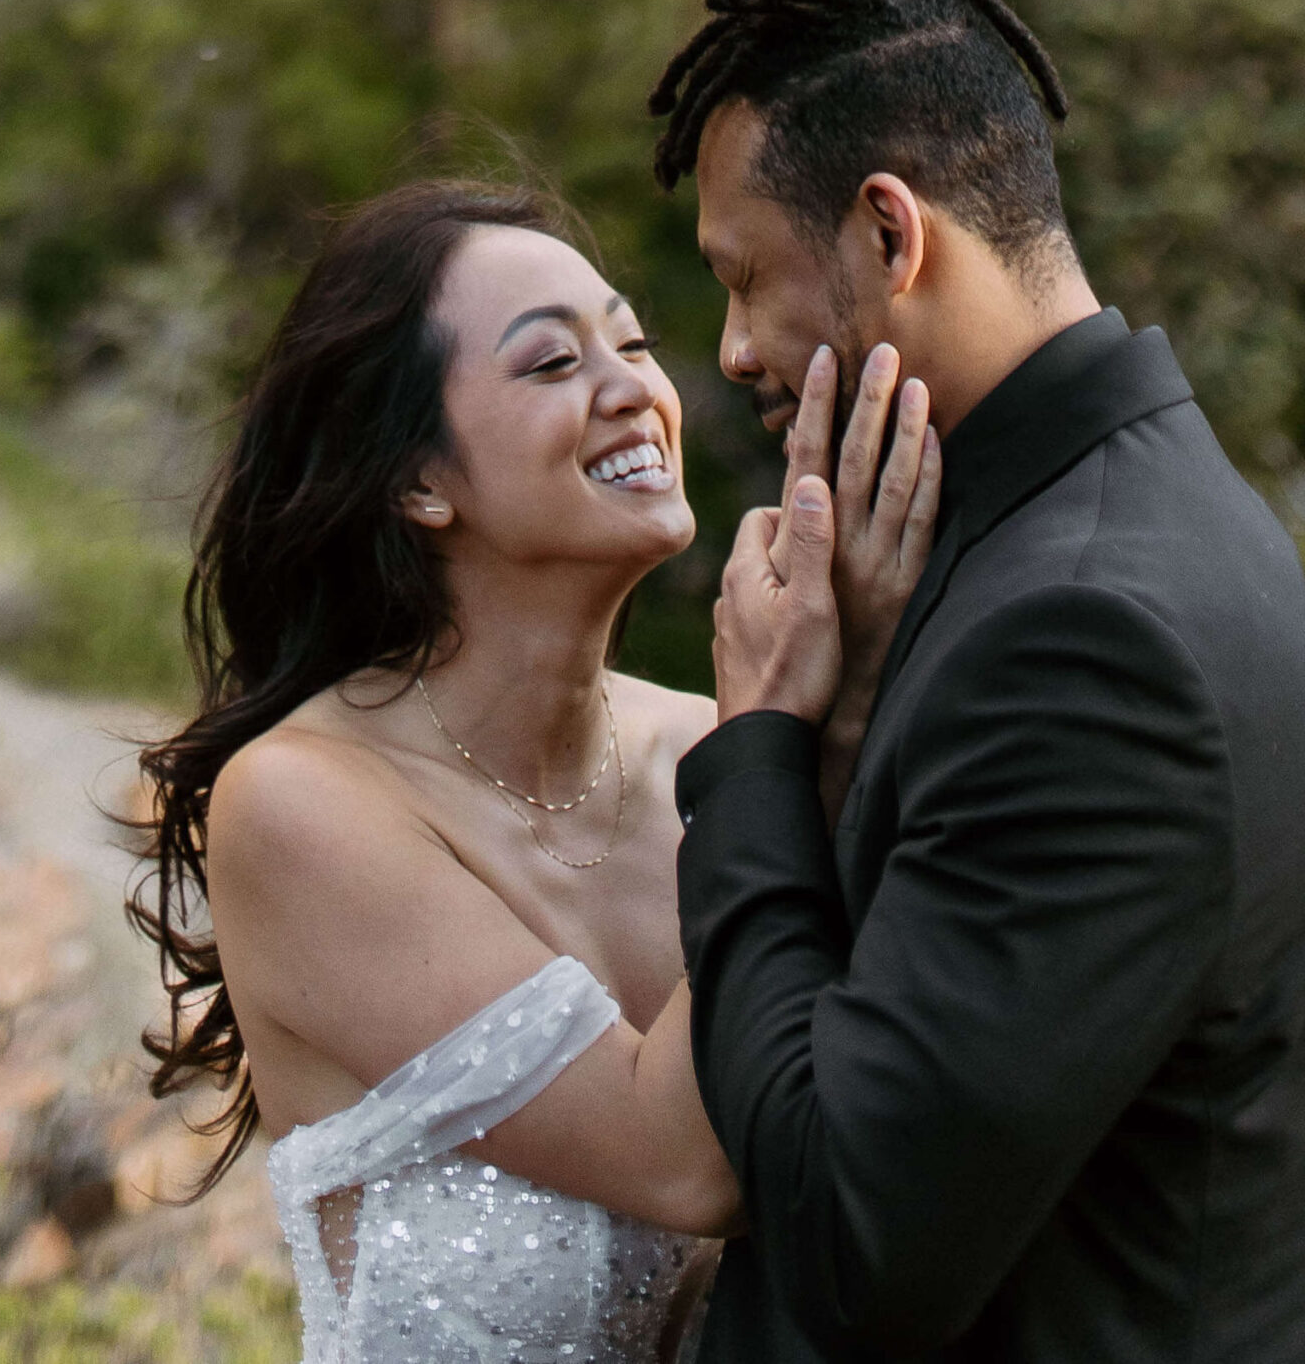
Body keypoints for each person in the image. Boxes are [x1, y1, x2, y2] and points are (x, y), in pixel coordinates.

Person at [649, 0, 1305, 1363]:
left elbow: (853, 1238)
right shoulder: (1119, 524)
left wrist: (758, 751)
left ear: (888, 234)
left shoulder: (1087, 635)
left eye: (746, 278)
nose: (733, 350)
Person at [132, 178, 940, 1364]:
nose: (636, 390)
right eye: (552, 364)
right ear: (420, 482)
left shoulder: (709, 752)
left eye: (632, 342)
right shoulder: (302, 802)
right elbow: (682, 1160)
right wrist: (827, 718)